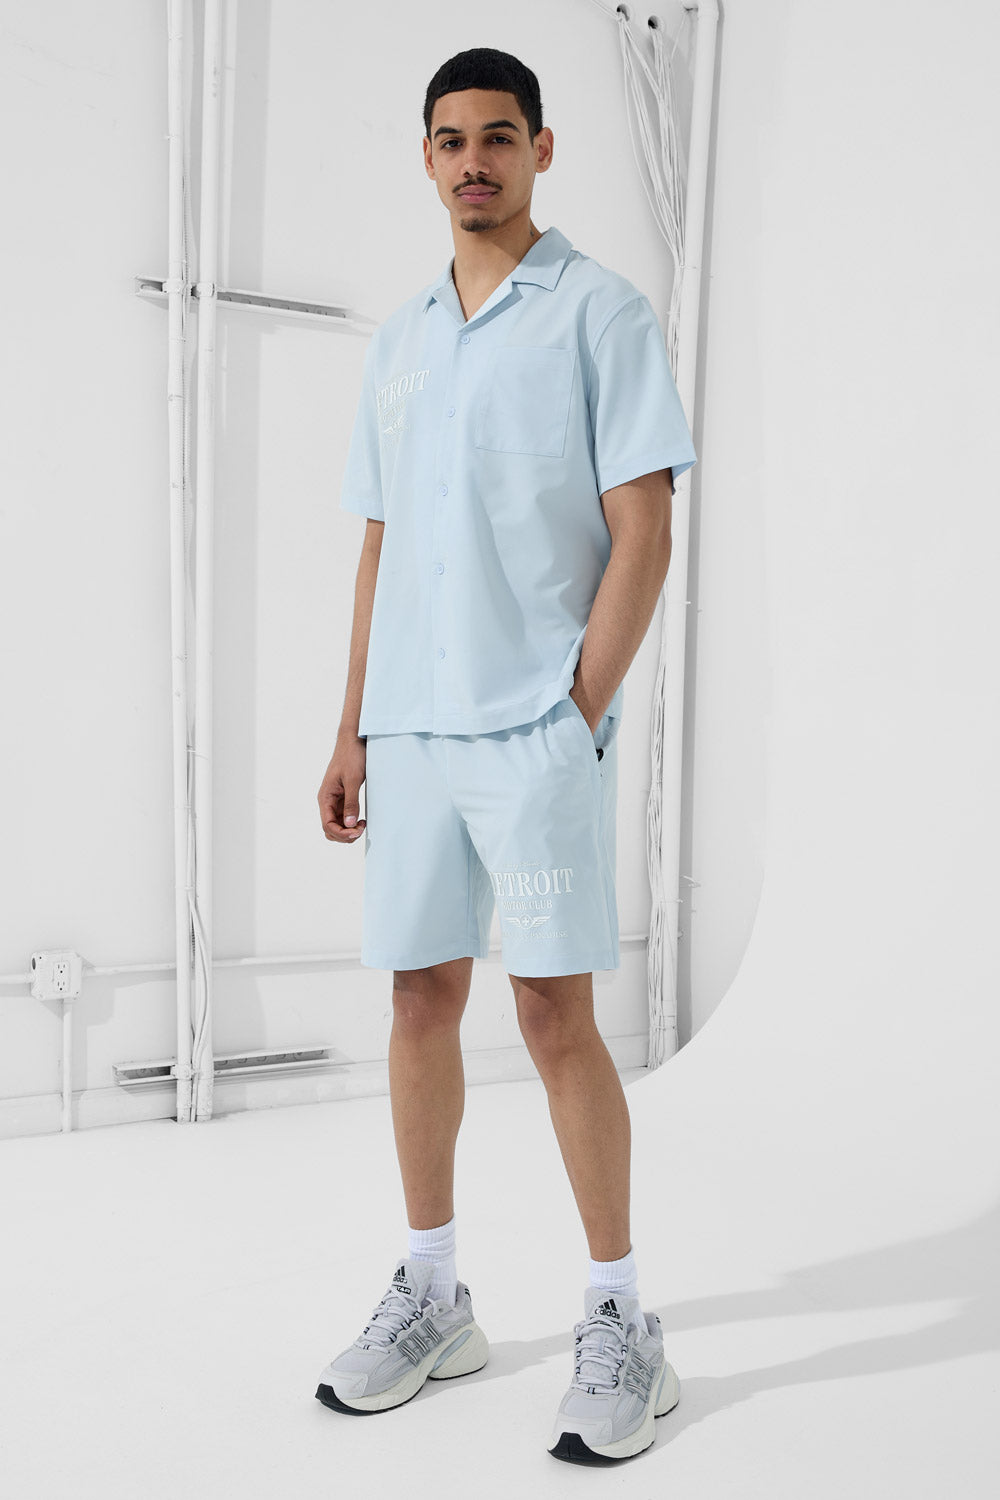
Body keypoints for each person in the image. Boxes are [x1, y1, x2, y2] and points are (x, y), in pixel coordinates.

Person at [315, 46, 696, 1465]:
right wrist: (352, 723)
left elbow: (644, 528)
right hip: (411, 728)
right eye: (449, 140)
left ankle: (623, 1320)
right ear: (426, 158)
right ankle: (434, 1295)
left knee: (552, 1015)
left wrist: (576, 710)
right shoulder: (403, 340)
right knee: (419, 999)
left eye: (497, 136)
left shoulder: (600, 313)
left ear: (541, 148)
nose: (472, 160)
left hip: (534, 728)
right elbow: (381, 544)